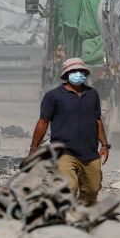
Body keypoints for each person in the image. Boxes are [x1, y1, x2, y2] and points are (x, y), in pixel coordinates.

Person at [29, 57, 110, 206]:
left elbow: (97, 120)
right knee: (68, 187)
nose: (78, 74)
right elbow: (43, 122)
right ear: (66, 75)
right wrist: (34, 148)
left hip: (90, 153)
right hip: (64, 152)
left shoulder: (92, 94)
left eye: (81, 71)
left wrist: (104, 145)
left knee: (92, 190)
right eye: (73, 71)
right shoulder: (53, 96)